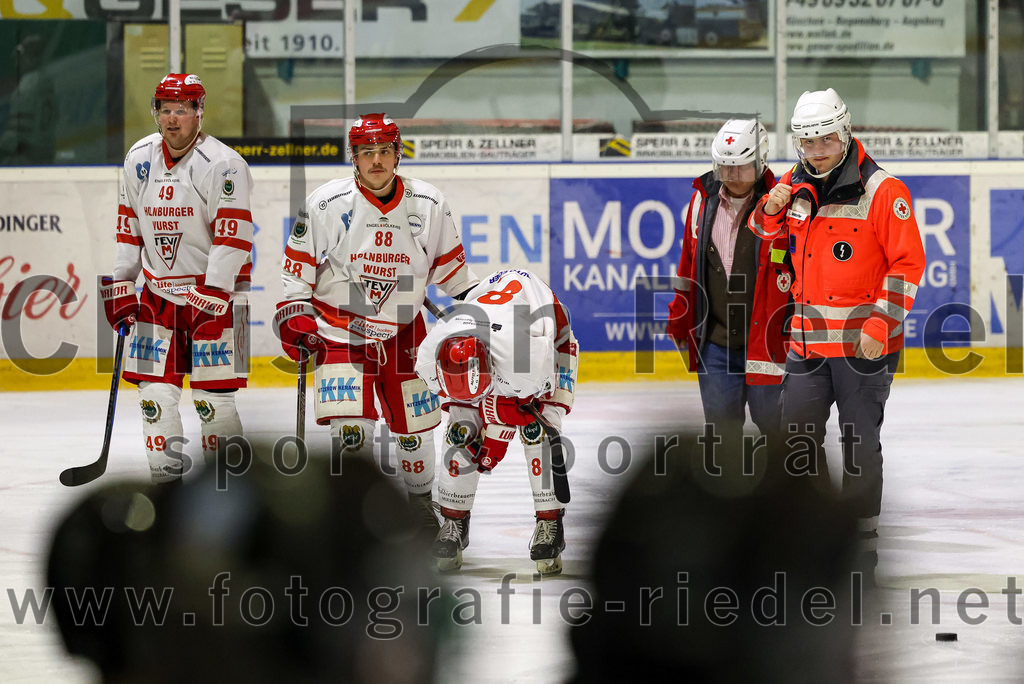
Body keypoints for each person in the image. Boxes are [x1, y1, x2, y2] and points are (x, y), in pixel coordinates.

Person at [274, 113, 479, 536]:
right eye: (367, 152)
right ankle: (351, 513)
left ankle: (421, 506)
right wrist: (295, 313)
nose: (377, 161)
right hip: (339, 331)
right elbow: (296, 273)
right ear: (354, 157)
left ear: (398, 153)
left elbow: (456, 279)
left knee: (415, 431)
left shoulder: (429, 204)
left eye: (385, 151)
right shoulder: (325, 204)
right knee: (350, 432)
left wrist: (479, 316)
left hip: (407, 334)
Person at [748, 88, 926, 575]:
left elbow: (908, 265)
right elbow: (765, 240)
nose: (818, 150)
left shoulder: (883, 191)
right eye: (808, 143)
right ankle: (813, 535)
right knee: (797, 444)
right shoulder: (794, 183)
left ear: (844, 134)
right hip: (805, 347)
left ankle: (863, 541)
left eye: (826, 139)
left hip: (861, 350)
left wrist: (880, 324)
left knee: (858, 444)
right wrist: (768, 209)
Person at [99, 73, 253, 483]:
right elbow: (128, 225)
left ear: (199, 112)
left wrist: (215, 288)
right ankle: (166, 492)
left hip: (218, 298)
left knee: (214, 404)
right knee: (154, 397)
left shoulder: (225, 164)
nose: (172, 119)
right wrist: (121, 282)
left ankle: (229, 497)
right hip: (157, 295)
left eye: (182, 109)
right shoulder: (139, 157)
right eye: (165, 109)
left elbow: (234, 235)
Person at [414, 268, 578, 575]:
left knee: (538, 432)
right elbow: (465, 403)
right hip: (495, 338)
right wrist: (476, 438)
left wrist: (489, 450)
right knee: (460, 432)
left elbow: (514, 411)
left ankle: (549, 523)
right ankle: (454, 521)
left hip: (552, 345)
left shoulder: (526, 361)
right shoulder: (428, 354)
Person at [666, 119, 791, 442]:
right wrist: (679, 320)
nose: (732, 174)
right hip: (716, 345)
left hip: (769, 344)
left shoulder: (783, 205)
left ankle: (778, 492)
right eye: (725, 166)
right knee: (722, 437)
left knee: (776, 431)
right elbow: (689, 268)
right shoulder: (700, 203)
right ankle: (728, 491)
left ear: (760, 161)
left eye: (740, 166)